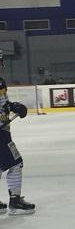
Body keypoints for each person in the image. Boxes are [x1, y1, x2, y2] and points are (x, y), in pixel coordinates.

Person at [0, 78, 35, 215]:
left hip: (3, 131)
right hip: (1, 134)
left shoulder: (1, 82)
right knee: (16, 164)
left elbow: (3, 104)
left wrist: (12, 106)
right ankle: (15, 201)